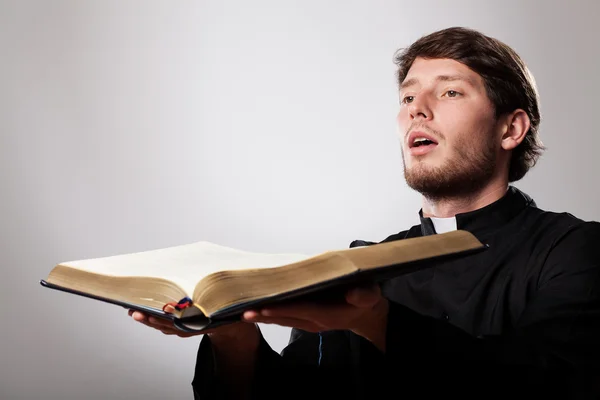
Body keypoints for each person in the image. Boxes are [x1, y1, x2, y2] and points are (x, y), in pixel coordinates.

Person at [129, 26, 600, 399]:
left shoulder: (575, 249)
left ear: (511, 128)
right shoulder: (359, 267)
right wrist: (232, 337)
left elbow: (553, 384)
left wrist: (376, 321)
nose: (419, 110)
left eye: (451, 92)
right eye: (408, 97)